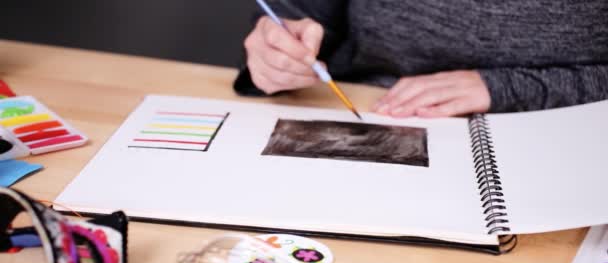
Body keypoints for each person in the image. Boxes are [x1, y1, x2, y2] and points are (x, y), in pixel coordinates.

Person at [234, 1, 608, 117]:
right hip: (367, 114)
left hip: (563, 152)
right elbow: (297, 16)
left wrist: (507, 88)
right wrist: (276, 54)